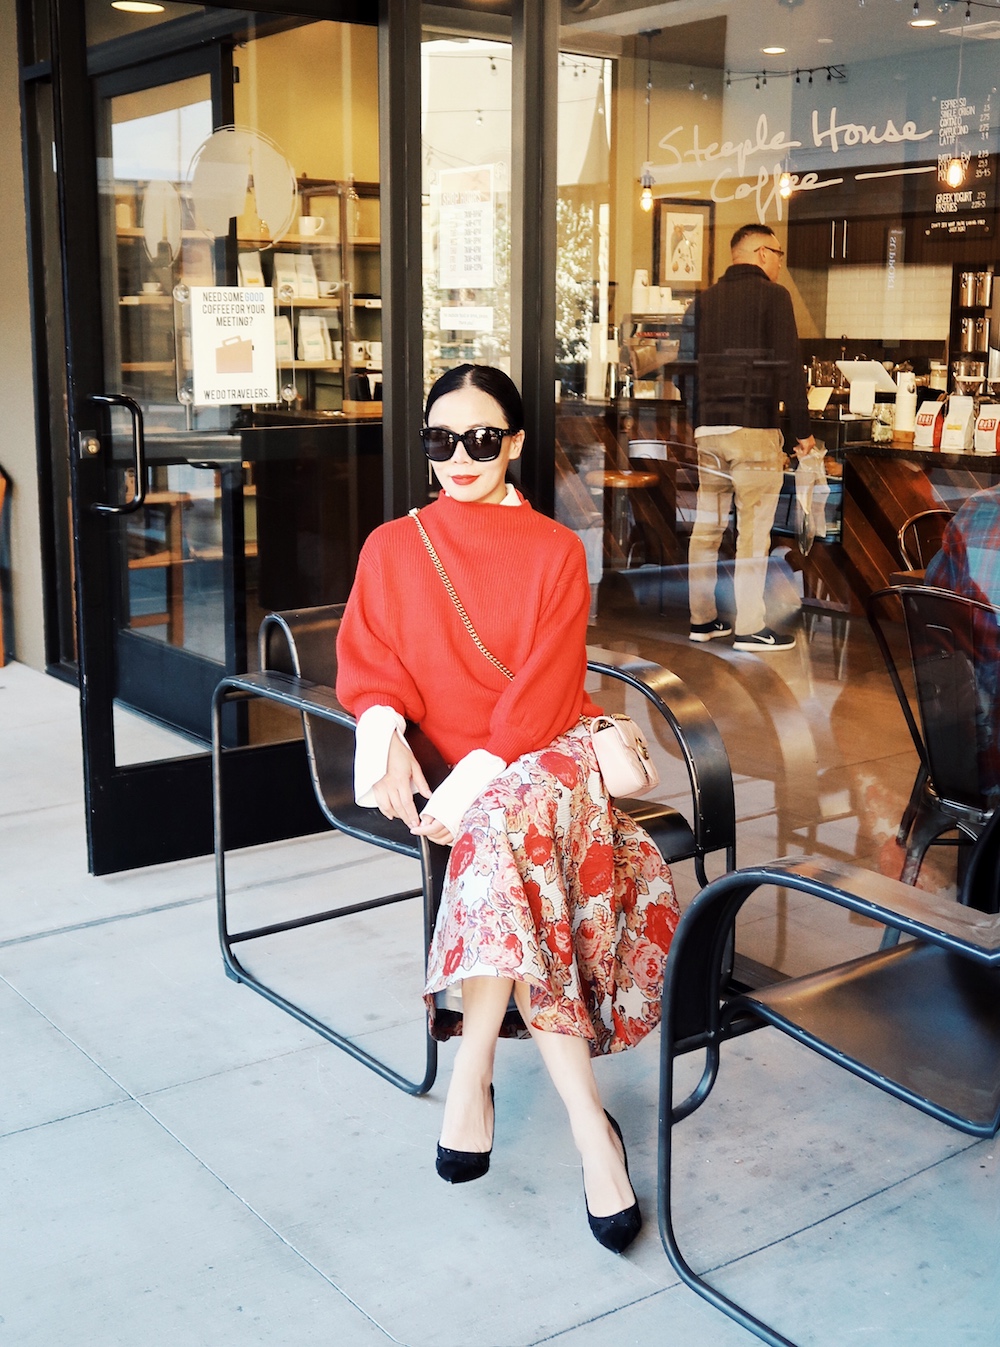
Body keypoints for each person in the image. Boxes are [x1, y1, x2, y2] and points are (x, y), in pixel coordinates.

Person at [335, 363, 679, 1254]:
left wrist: (471, 778)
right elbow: (373, 663)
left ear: (516, 443)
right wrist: (383, 734)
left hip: (541, 755)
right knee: (507, 841)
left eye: (482, 439)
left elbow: (544, 694)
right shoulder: (393, 544)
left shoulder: (556, 552)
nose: (459, 457)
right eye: (440, 440)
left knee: (506, 824)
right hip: (472, 781)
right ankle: (589, 1130)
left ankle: (473, 1070)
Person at [687, 222, 820, 651]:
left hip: (708, 433)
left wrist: (699, 422)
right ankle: (748, 627)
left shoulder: (702, 302)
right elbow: (788, 367)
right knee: (753, 531)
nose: (780, 264)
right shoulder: (773, 297)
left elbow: (684, 372)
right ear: (763, 253)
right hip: (754, 431)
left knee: (706, 531)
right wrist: (801, 432)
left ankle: (702, 621)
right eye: (778, 255)